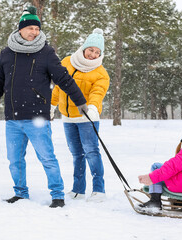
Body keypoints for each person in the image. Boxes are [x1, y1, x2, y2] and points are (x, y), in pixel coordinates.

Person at [0, 6, 88, 208]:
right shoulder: (7, 53)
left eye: (37, 29)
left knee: (47, 158)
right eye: (31, 28)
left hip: (37, 117)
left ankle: (57, 195)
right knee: (14, 161)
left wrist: (80, 101)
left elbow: (64, 79)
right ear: (20, 29)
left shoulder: (46, 52)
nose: (35, 32)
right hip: (13, 118)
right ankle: (20, 193)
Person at [51, 28, 110, 202]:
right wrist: (51, 104)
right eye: (91, 49)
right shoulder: (68, 62)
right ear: (84, 47)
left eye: (97, 52)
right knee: (76, 154)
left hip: (87, 118)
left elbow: (98, 92)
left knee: (91, 152)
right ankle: (78, 189)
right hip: (68, 118)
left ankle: (99, 190)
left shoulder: (101, 73)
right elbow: (59, 86)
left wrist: (92, 107)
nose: (93, 54)